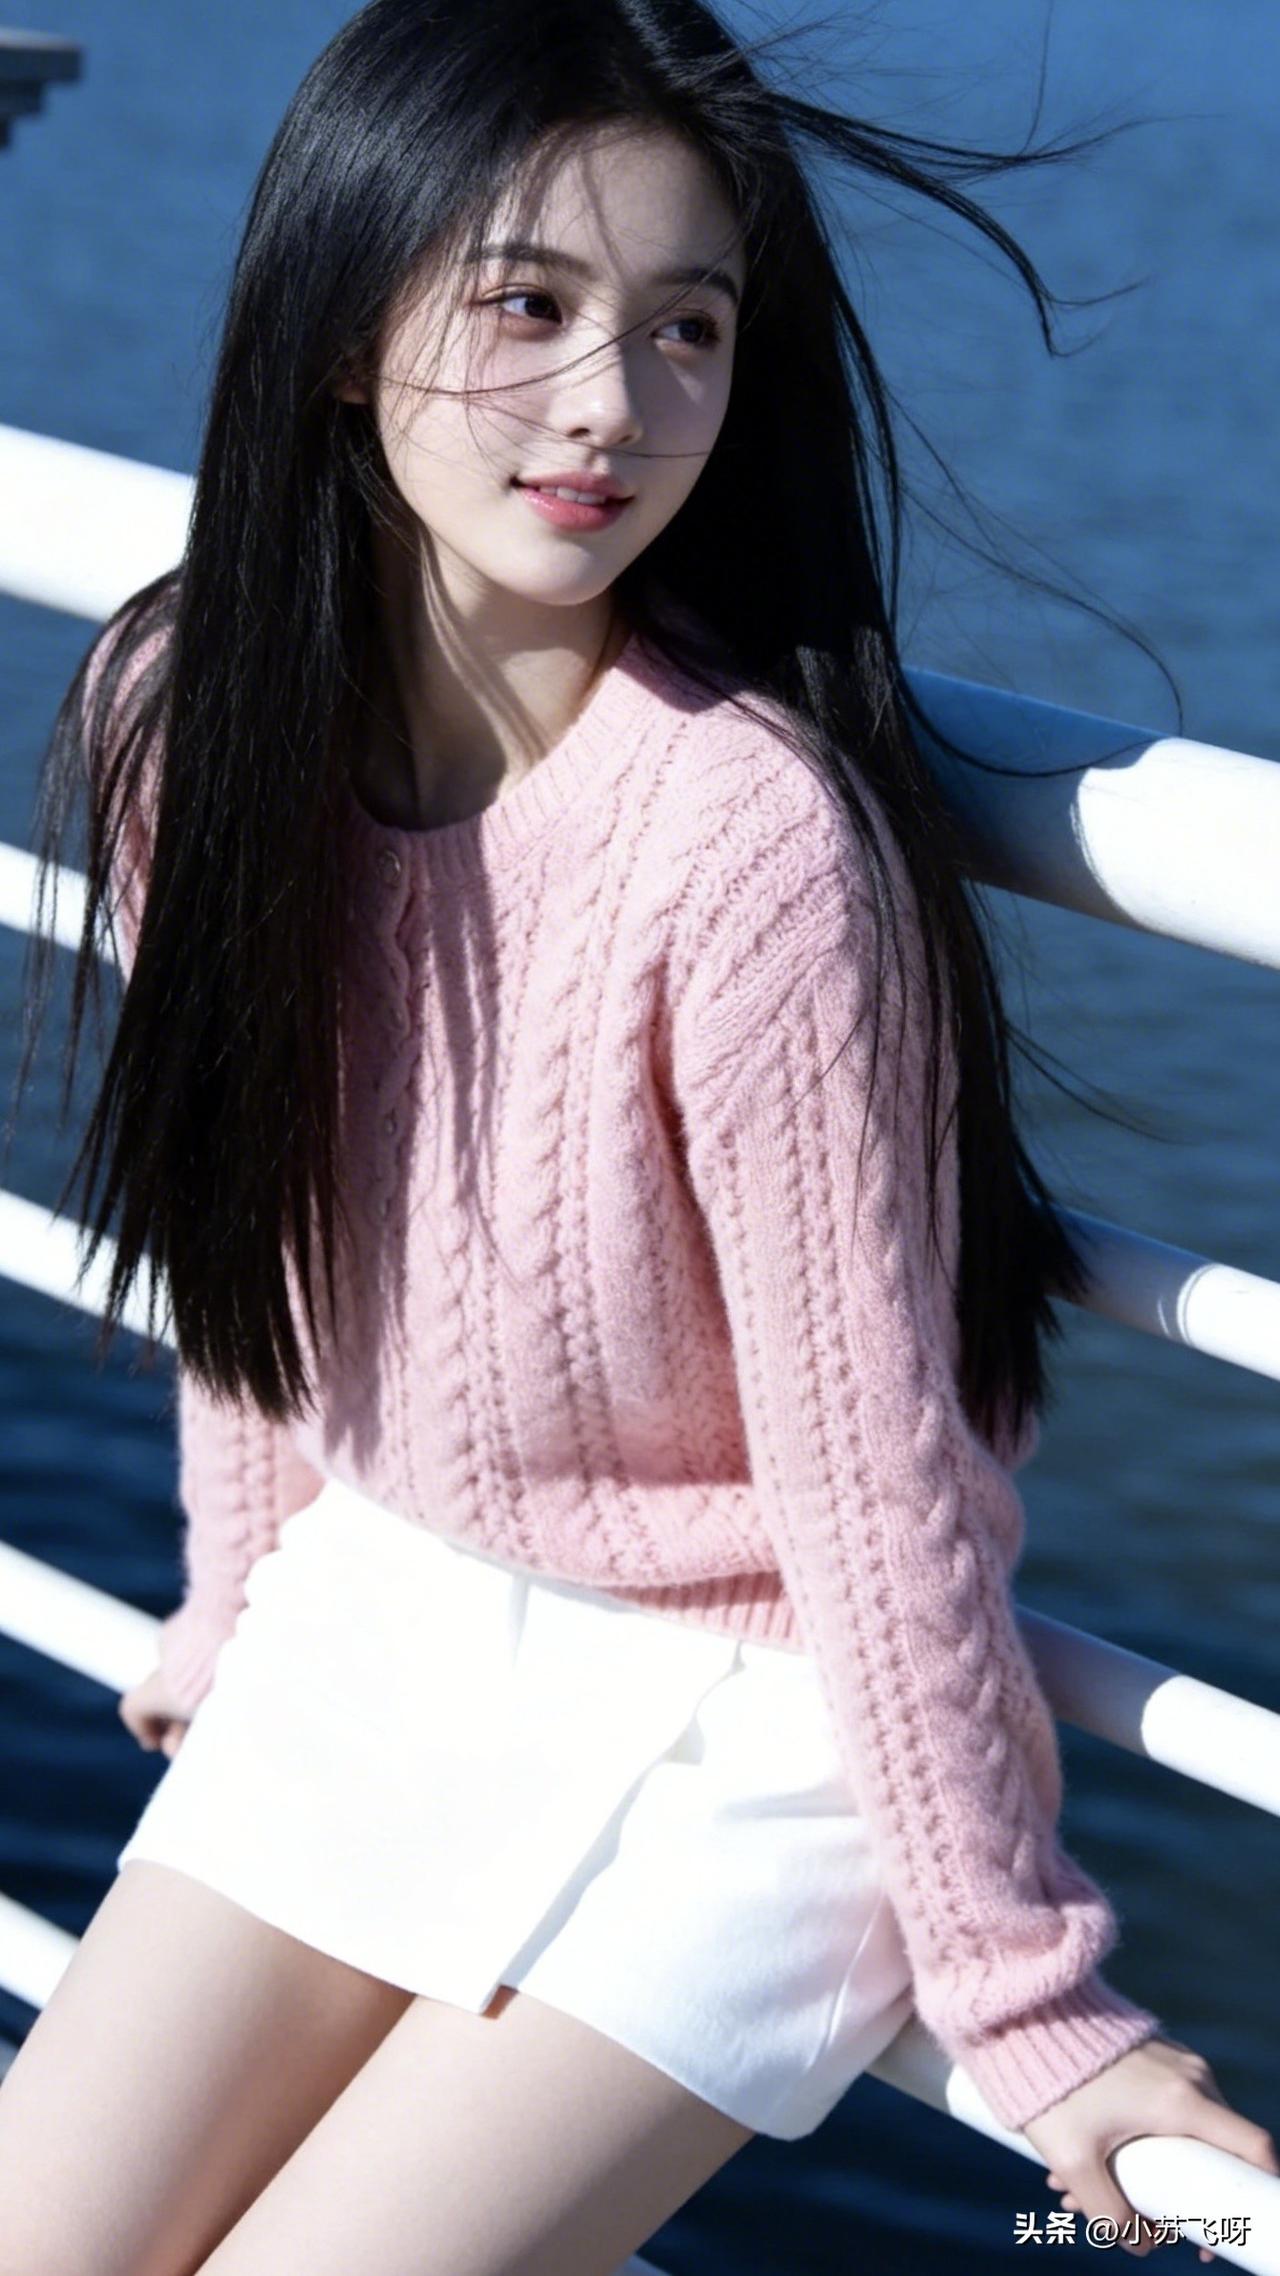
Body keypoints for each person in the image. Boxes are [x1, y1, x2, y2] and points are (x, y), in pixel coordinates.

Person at [2, 2, 1274, 2271]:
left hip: (752, 1713)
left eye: (686, 325)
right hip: (386, 1601)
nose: (614, 403)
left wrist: (1026, 1996)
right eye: (527, 304)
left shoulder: (742, 842)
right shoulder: (184, 716)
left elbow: (871, 1471)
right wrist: (232, 1588)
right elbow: (248, 1199)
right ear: (341, 324)